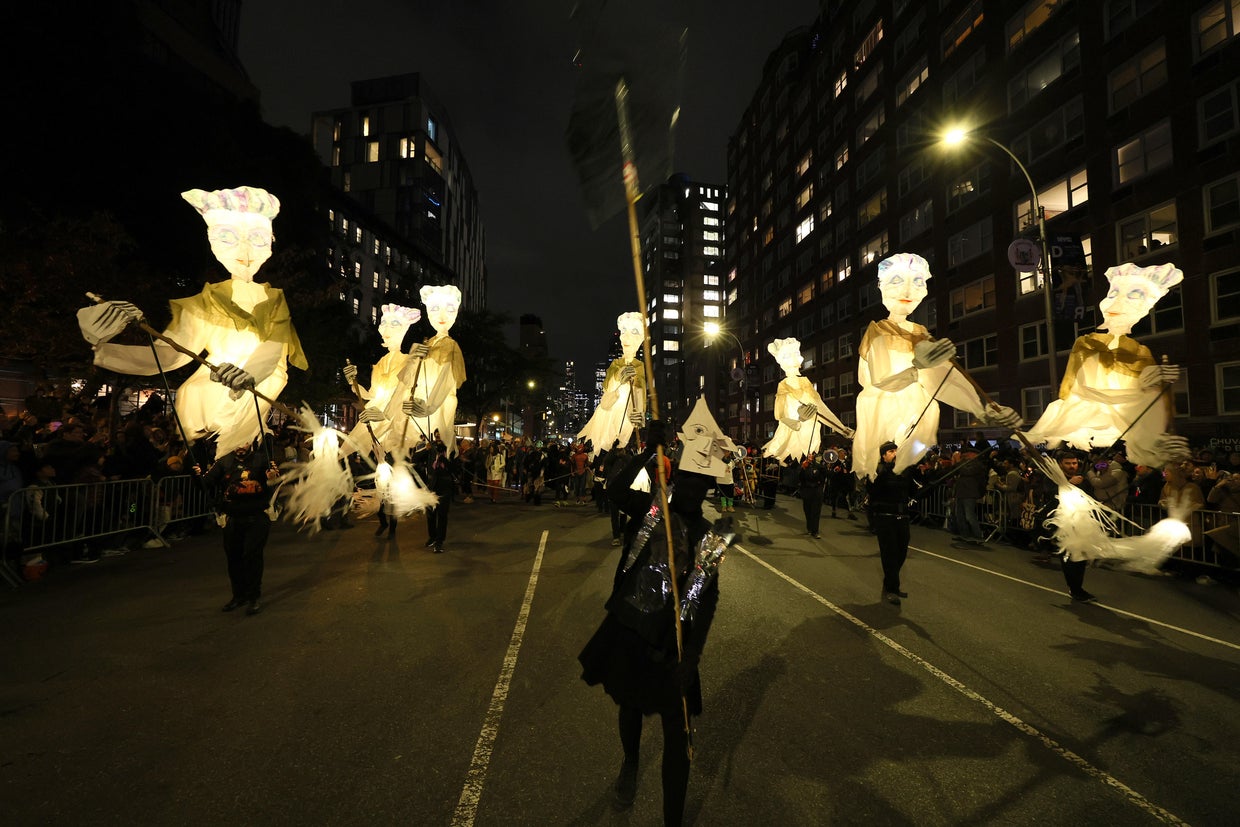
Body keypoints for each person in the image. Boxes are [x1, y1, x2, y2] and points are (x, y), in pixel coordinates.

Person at [78, 187, 307, 459]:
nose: (244, 250)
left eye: (256, 239)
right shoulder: (202, 303)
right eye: (228, 238)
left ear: (269, 243)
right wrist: (106, 348)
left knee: (245, 402)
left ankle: (235, 456)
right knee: (195, 394)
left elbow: (273, 350)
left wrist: (250, 374)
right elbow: (170, 354)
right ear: (213, 242)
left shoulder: (275, 302)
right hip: (216, 382)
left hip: (259, 382)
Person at [579, 416, 729, 827]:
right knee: (628, 706)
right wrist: (649, 448)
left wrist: (692, 657)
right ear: (677, 479)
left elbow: (704, 599)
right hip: (631, 627)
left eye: (702, 484)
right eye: (687, 480)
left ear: (707, 489)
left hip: (673, 643)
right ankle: (630, 762)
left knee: (678, 738)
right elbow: (613, 490)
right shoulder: (652, 510)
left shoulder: (709, 537)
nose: (693, 489)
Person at [853, 253, 1020, 481]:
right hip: (882, 411)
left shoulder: (920, 333)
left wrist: (981, 410)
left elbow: (946, 376)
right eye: (897, 281)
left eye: (917, 283)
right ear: (882, 286)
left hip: (917, 412)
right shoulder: (878, 331)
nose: (907, 292)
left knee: (907, 467)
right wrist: (917, 367)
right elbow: (880, 380)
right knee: (883, 468)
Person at [1024, 262, 1188, 469]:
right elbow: (1070, 390)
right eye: (1114, 294)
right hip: (1086, 411)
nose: (1117, 303)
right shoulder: (1086, 344)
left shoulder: (1140, 353)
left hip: (1123, 417)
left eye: (1133, 296)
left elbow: (1147, 404)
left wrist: (1152, 383)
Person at [202, 439, 280, 615]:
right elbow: (206, 483)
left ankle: (253, 597)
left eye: (244, 442)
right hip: (233, 518)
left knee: (252, 555)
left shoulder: (262, 459)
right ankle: (239, 595)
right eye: (238, 441)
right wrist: (197, 474)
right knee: (234, 558)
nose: (240, 446)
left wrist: (272, 479)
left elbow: (273, 483)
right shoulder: (224, 461)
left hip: (256, 516)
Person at [398, 285, 467, 458]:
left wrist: (430, 407)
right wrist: (414, 357)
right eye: (435, 309)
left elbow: (448, 381)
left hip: (437, 406)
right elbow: (407, 380)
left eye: (449, 309)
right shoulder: (425, 345)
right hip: (420, 406)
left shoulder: (452, 346)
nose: (441, 316)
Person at [761, 337, 853, 462]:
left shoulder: (805, 382)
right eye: (788, 355)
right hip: (793, 437)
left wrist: (842, 429)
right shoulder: (784, 385)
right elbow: (780, 415)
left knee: (809, 461)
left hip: (809, 433)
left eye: (795, 353)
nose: (793, 358)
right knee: (795, 461)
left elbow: (820, 408)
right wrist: (797, 421)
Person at [578, 312, 647, 459]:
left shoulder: (639, 366)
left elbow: (640, 392)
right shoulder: (616, 364)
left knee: (623, 441)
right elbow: (607, 388)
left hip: (627, 416)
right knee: (606, 444)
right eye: (624, 331)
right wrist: (619, 377)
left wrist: (639, 413)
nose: (626, 337)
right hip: (610, 412)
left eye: (634, 332)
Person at [868, 441, 917, 605]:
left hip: (902, 517)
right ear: (884, 455)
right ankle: (892, 589)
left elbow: (914, 491)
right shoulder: (878, 471)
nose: (895, 453)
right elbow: (873, 491)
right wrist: (887, 472)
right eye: (891, 451)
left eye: (896, 450)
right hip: (885, 517)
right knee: (889, 553)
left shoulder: (905, 471)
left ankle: (890, 580)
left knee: (901, 552)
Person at [420, 441, 456, 553]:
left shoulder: (450, 455)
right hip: (431, 490)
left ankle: (439, 541)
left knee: (442, 517)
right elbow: (415, 459)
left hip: (444, 491)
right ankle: (432, 537)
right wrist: (426, 449)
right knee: (430, 516)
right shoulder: (430, 454)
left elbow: (454, 470)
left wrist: (446, 462)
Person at [951, 443, 990, 545]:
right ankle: (965, 535)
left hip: (969, 493)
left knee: (969, 515)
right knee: (959, 515)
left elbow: (966, 472)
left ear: (974, 455)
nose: (965, 455)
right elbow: (954, 470)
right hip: (961, 492)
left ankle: (978, 536)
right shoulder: (964, 463)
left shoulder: (978, 465)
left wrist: (959, 461)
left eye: (968, 453)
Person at [798, 453, 828, 538]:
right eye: (809, 455)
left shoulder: (818, 466)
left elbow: (826, 474)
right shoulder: (803, 465)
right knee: (807, 510)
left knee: (816, 511)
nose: (810, 456)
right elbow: (800, 478)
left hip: (816, 491)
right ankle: (809, 528)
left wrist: (832, 469)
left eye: (812, 455)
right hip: (807, 491)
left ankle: (815, 531)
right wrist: (803, 468)